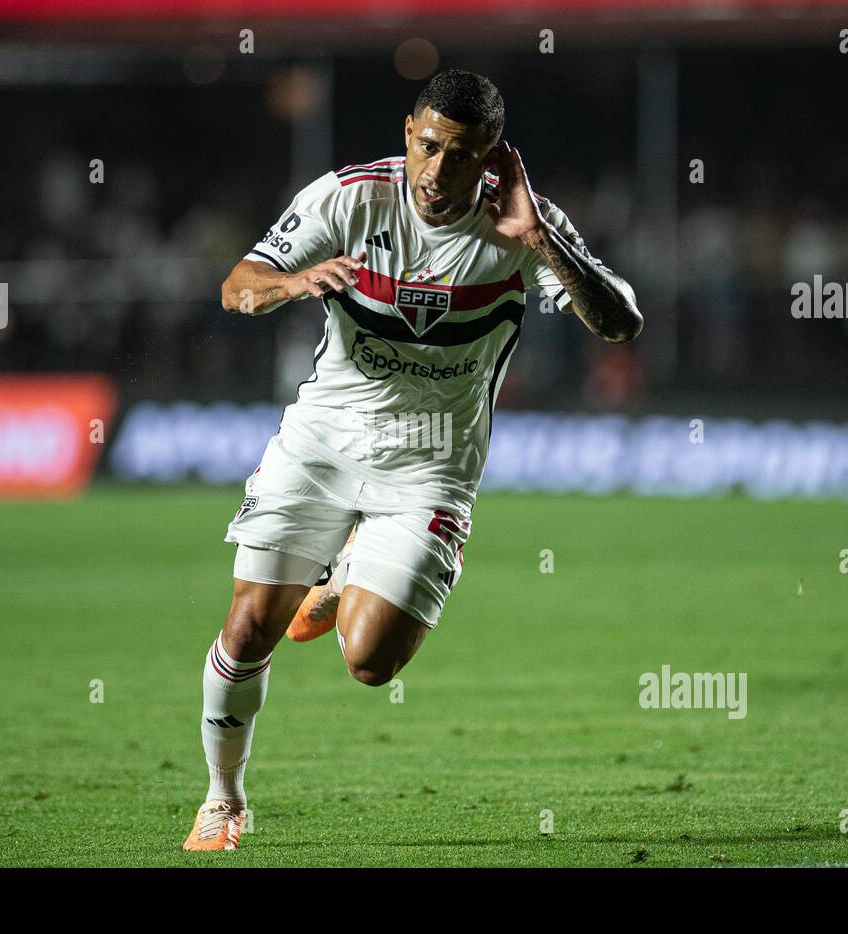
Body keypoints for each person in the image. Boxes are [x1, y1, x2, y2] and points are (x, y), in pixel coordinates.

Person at [183, 68, 642, 851]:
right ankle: (224, 799)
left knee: (368, 662)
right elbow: (237, 285)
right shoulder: (350, 197)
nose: (438, 171)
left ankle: (349, 563)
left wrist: (540, 240)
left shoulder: (522, 224)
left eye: (461, 155)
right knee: (251, 625)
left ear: (492, 155)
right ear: (407, 132)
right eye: (428, 146)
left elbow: (620, 322)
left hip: (431, 468)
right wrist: (294, 282)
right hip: (324, 443)